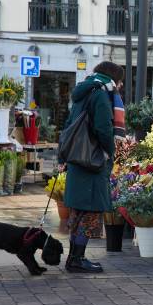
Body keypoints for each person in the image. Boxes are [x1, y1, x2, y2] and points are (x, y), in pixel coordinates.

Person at [62, 61, 124, 273]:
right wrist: (109, 151)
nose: (120, 86)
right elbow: (103, 128)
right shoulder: (101, 94)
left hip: (78, 157)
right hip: (93, 159)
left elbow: (70, 122)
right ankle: (78, 259)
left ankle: (73, 258)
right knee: (90, 212)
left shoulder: (84, 91)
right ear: (114, 79)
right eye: (121, 82)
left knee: (78, 211)